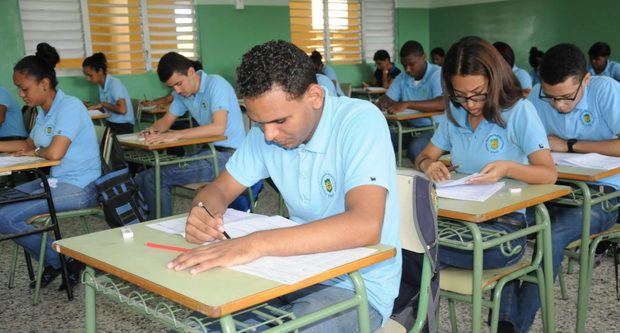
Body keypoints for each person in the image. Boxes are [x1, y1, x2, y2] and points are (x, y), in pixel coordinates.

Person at [167, 40, 401, 332]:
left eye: (279, 120)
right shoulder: (266, 131)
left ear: (314, 96)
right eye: (258, 122)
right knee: (202, 327)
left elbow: (365, 225)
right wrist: (202, 211)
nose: (268, 134)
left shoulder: (359, 122)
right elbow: (219, 191)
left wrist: (257, 243)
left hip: (356, 285)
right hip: (289, 271)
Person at [414, 36, 557, 333]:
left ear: (495, 80)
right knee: (412, 244)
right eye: (460, 96)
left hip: (504, 231)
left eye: (478, 94)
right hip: (457, 223)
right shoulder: (455, 115)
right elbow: (424, 156)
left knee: (416, 251)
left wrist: (508, 167)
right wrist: (431, 165)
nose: (470, 104)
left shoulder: (518, 111)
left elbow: (548, 173)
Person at [519, 43, 620, 333]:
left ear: (585, 80)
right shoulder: (539, 98)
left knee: (551, 233)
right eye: (551, 98)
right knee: (509, 222)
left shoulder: (607, 91)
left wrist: (570, 146)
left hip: (604, 193)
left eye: (566, 97)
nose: (559, 106)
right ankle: (508, 307)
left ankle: (513, 325)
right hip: (555, 186)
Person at [0, 43, 101, 289]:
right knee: (3, 203)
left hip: (80, 186)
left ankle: (62, 260)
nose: (21, 95)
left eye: (24, 89)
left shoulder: (70, 107)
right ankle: (57, 260)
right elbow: (29, 142)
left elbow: (54, 152)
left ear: (44, 84)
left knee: (4, 216)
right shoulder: (44, 111)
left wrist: (34, 151)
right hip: (56, 181)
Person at [134, 52, 245, 220]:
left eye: (179, 84)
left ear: (191, 72)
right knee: (141, 177)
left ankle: (157, 226)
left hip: (229, 157)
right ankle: (150, 222)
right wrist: (152, 130)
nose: (177, 90)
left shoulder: (216, 84)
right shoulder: (182, 94)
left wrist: (177, 135)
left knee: (154, 177)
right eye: (172, 87)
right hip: (209, 152)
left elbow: (218, 127)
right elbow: (165, 122)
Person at [376, 40, 444, 162]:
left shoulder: (437, 74)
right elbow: (389, 98)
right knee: (382, 141)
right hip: (409, 128)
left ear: (423, 57)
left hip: (435, 128)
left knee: (416, 150)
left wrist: (407, 104)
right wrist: (381, 102)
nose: (407, 69)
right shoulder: (403, 77)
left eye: (412, 64)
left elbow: (442, 103)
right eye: (404, 65)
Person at [83, 52, 135, 134]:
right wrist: (91, 107)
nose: (88, 79)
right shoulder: (101, 85)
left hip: (123, 126)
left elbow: (122, 110)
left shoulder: (114, 84)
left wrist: (103, 104)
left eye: (90, 75)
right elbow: (108, 108)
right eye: (86, 76)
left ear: (100, 71)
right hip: (112, 123)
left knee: (100, 142)